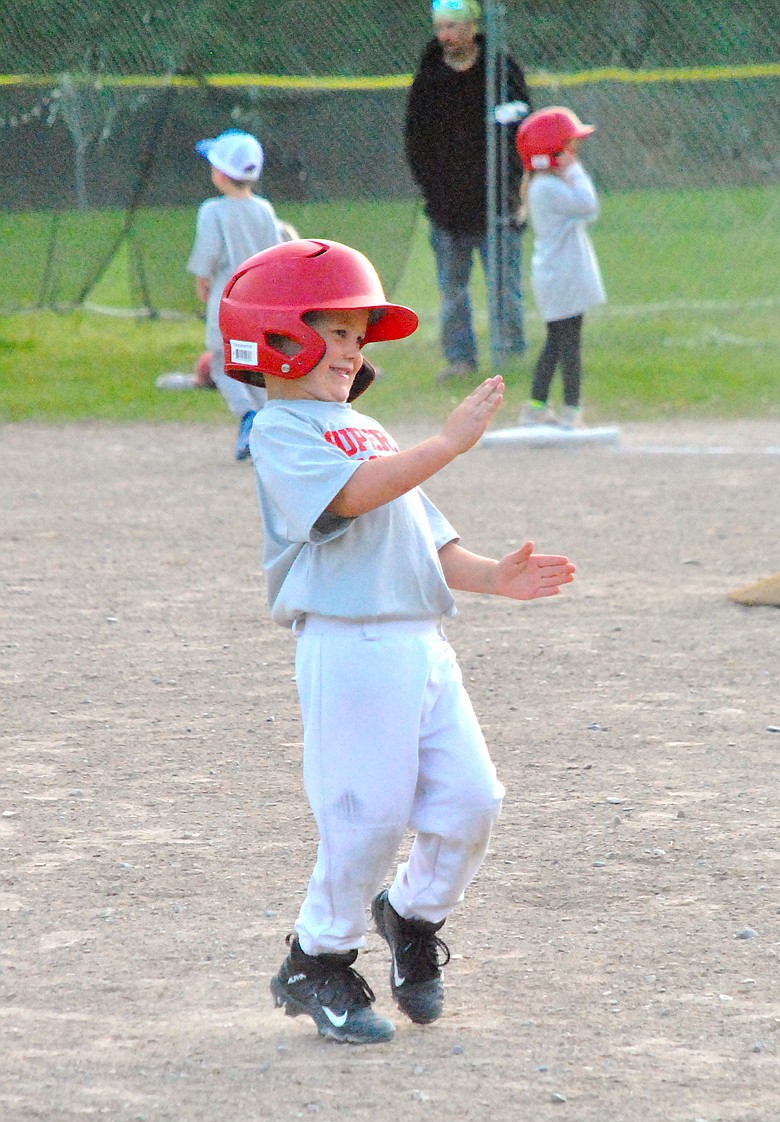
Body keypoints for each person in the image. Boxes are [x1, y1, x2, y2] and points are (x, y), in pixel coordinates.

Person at [218, 237, 576, 1045]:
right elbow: (350, 498)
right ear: (278, 334)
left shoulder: (367, 429)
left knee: (472, 800)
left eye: (356, 336)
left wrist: (492, 576)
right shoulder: (280, 429)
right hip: (349, 646)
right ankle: (318, 956)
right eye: (336, 332)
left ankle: (411, 915)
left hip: (420, 642)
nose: (352, 350)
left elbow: (425, 541)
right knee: (366, 814)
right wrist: (444, 445)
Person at [405, 0, 530, 382]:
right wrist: (434, 190)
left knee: (504, 287)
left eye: (453, 27)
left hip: (497, 203)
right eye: (440, 27)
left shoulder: (501, 72)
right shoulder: (429, 79)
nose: (445, 36)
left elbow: (522, 131)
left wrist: (515, 186)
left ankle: (509, 354)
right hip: (447, 208)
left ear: (472, 27)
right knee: (453, 290)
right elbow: (416, 140)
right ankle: (460, 357)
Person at [186, 129, 285, 460]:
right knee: (255, 363)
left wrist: (202, 278)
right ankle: (265, 428)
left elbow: (208, 252)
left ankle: (248, 416)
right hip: (260, 300)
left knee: (221, 362)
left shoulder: (213, 210)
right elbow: (276, 253)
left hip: (227, 299)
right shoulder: (265, 209)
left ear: (220, 173)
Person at [515, 107, 606, 431]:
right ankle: (571, 408)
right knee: (568, 344)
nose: (575, 153)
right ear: (550, 152)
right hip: (562, 276)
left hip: (559, 274)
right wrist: (575, 170)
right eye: (569, 147)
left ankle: (536, 406)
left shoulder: (545, 185)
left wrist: (567, 167)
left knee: (557, 341)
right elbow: (588, 205)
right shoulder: (547, 188)